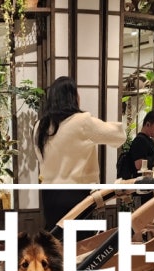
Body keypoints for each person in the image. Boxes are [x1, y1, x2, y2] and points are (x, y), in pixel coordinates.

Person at [34, 76, 125, 229]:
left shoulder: (39, 126)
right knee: (81, 241)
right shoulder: (82, 121)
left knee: (56, 239)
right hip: (77, 194)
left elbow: (40, 156)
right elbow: (119, 137)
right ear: (73, 96)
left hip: (49, 195)